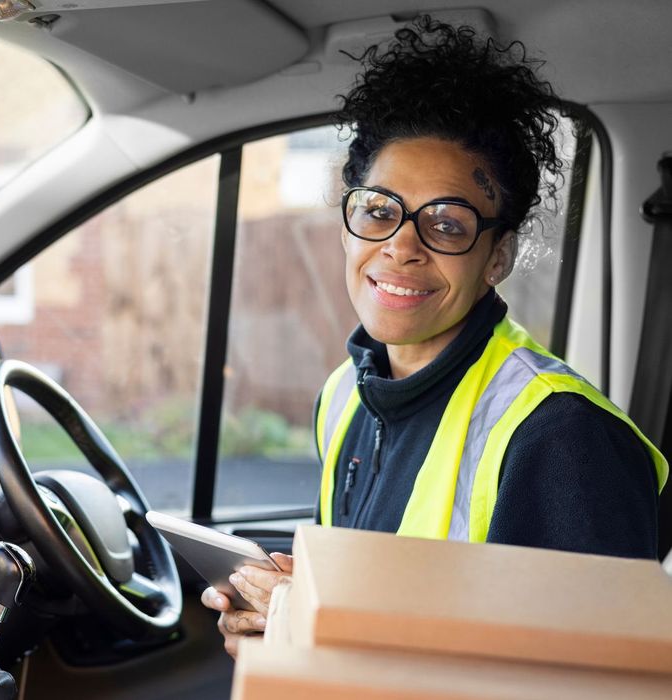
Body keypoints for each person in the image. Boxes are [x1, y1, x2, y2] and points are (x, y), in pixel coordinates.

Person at [202, 17, 668, 657]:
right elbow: (389, 598)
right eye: (378, 210)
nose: (400, 247)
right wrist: (285, 620)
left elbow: (590, 681)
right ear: (348, 224)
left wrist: (320, 635)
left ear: (497, 257)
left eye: (447, 225)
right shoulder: (347, 395)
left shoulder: (563, 440)